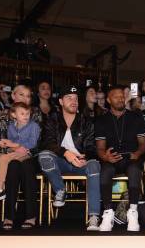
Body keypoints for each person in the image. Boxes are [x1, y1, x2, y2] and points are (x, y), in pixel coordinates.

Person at [38, 85, 102, 231]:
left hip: (80, 163)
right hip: (61, 163)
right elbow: (46, 143)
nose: (74, 101)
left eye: (76, 98)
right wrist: (66, 153)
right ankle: (60, 190)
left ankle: (93, 217)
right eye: (69, 98)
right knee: (44, 156)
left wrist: (86, 157)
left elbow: (92, 147)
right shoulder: (52, 119)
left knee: (94, 165)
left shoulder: (86, 121)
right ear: (60, 101)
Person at [95, 85, 145, 232]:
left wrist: (138, 153)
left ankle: (132, 211)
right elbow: (100, 147)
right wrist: (105, 156)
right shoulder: (101, 120)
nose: (120, 99)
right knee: (105, 170)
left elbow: (144, 143)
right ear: (108, 100)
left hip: (131, 157)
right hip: (111, 159)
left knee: (134, 169)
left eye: (121, 96)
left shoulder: (136, 117)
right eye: (116, 96)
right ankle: (108, 213)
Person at [0, 84, 42, 229]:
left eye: (28, 96)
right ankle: (9, 216)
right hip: (12, 155)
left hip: (32, 155)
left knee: (27, 166)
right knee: (13, 166)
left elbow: (39, 142)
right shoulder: (4, 115)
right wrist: (12, 150)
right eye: (22, 95)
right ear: (13, 96)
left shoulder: (36, 113)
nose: (26, 98)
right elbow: (0, 142)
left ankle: (30, 215)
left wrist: (26, 151)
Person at [0, 102, 40, 207]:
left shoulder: (33, 126)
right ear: (13, 115)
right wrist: (5, 144)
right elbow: (10, 143)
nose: (26, 116)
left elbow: (32, 143)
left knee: (4, 158)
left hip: (26, 153)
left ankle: (0, 189)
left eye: (27, 113)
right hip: (13, 152)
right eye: (22, 113)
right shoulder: (11, 126)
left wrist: (13, 145)